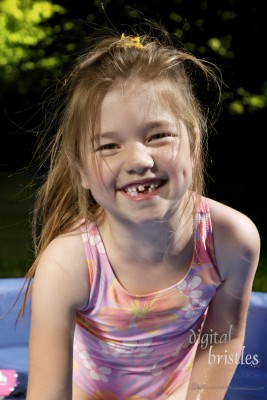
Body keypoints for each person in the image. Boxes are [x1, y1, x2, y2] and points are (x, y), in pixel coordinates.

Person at [23, 24, 260, 400]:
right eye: (108, 146)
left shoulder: (230, 240)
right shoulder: (69, 265)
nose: (137, 159)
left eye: (157, 136)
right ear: (81, 170)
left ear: (194, 143)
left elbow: (222, 340)